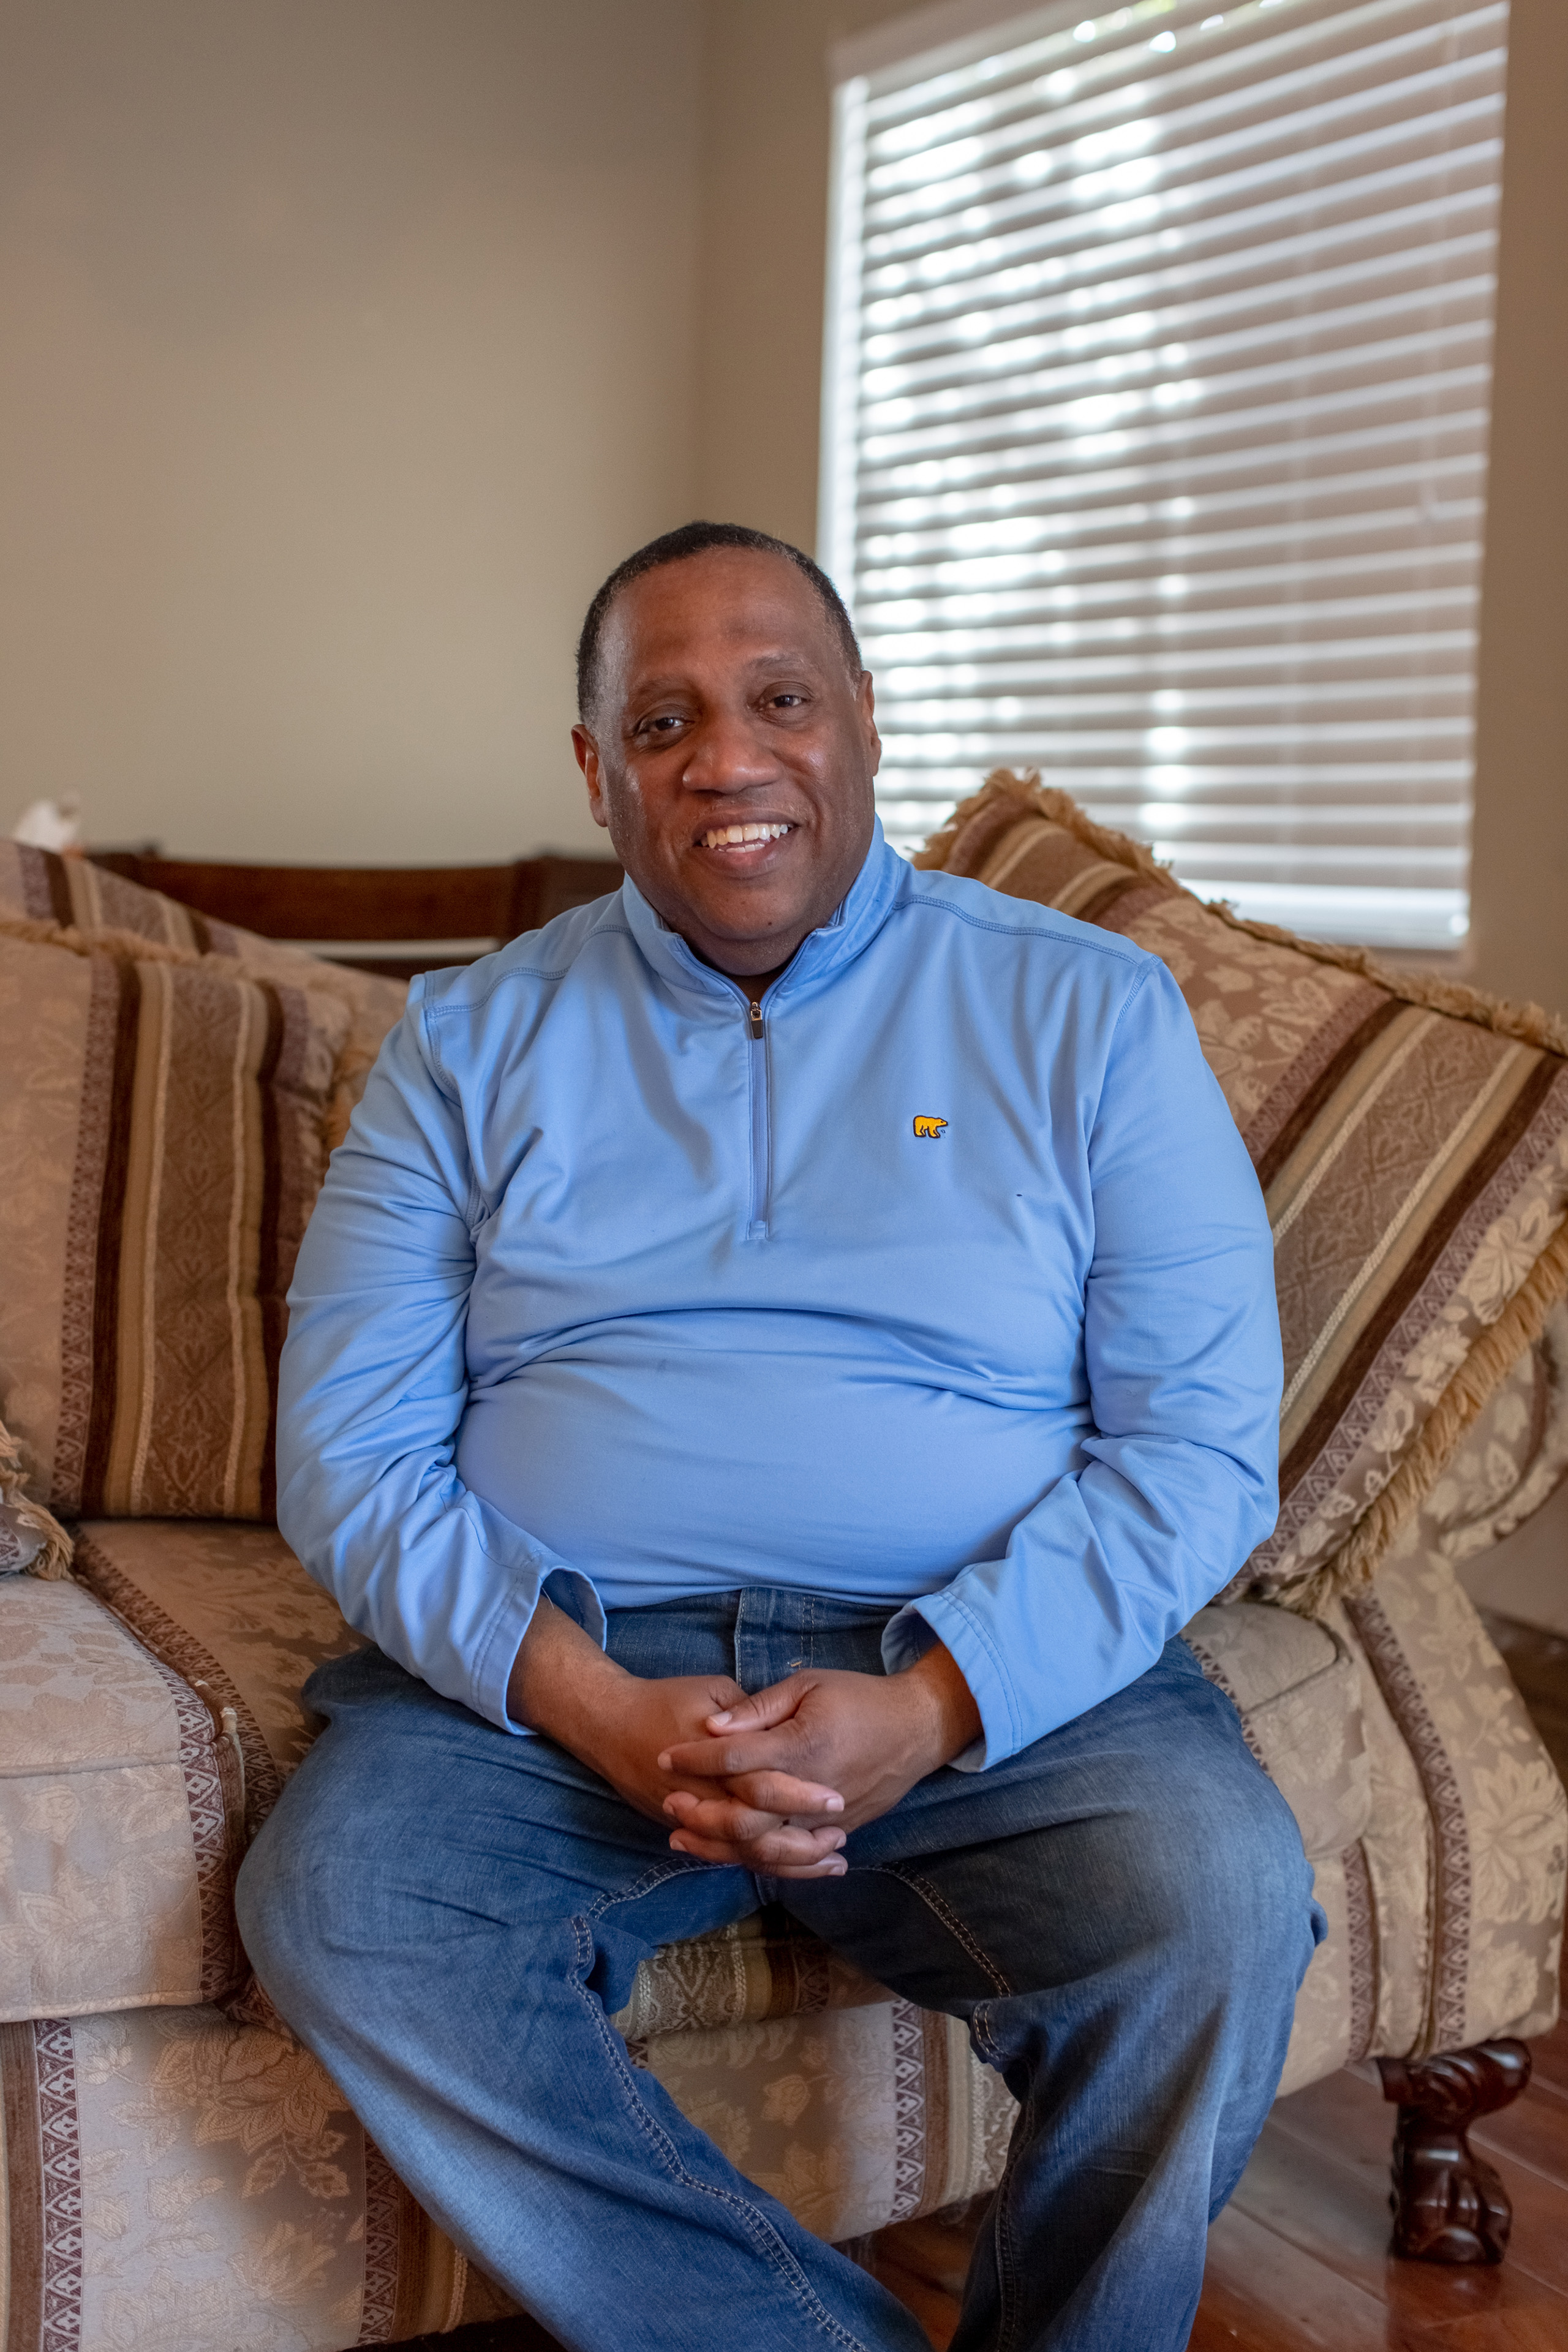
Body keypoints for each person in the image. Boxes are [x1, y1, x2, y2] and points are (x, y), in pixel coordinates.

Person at [236, 520, 1322, 2352]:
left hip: (985, 1664)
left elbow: (1202, 1445)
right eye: (662, 722)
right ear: (599, 774)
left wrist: (940, 1699)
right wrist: (591, 1702)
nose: (727, 759)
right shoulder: (465, 1042)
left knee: (1212, 1901)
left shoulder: (1088, 1013)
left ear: (867, 727)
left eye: (779, 701)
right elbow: (346, 1452)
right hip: (569, 1670)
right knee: (349, 1910)